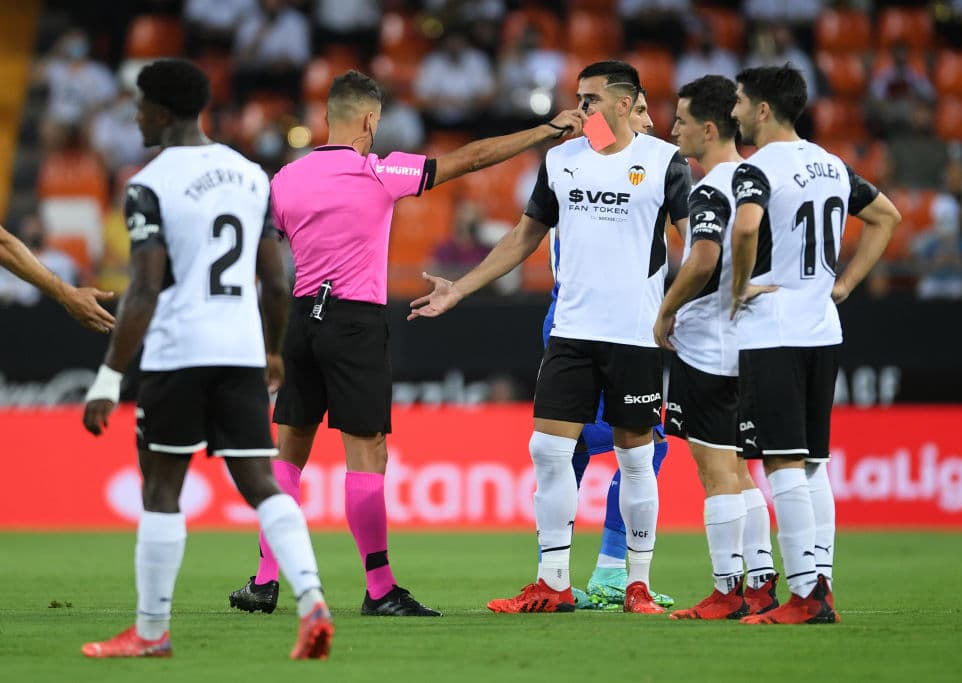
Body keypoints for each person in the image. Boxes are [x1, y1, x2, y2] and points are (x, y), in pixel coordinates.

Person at [228, 69, 584, 617]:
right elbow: (471, 157)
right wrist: (544, 132)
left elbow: (264, 265)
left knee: (289, 453)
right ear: (371, 120)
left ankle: (266, 579)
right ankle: (379, 589)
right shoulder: (381, 171)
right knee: (366, 454)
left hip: (299, 320)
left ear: (326, 118)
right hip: (355, 322)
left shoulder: (284, 181)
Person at [410, 60, 692, 614]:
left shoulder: (664, 162)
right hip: (571, 331)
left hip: (635, 334)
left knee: (637, 460)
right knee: (547, 450)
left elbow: (701, 245)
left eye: (590, 98)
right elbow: (523, 238)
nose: (578, 108)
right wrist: (460, 290)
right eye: (578, 97)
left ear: (624, 100)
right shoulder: (561, 161)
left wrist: (686, 308)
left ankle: (633, 583)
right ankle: (553, 582)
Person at [80, 59, 333, 659]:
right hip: (240, 351)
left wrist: (109, 376)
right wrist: (272, 349)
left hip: (178, 353)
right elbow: (276, 280)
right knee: (262, 484)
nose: (135, 116)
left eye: (140, 105)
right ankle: (312, 599)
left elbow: (143, 289)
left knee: (162, 486)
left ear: (162, 112)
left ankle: (149, 632)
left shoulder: (148, 183)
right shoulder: (250, 175)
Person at [729, 64, 901, 624]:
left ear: (761, 109)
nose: (732, 112)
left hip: (773, 329)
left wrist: (737, 289)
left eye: (738, 102)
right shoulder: (830, 164)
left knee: (780, 462)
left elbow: (748, 227)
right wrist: (843, 284)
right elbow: (886, 216)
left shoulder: (757, 170)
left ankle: (806, 594)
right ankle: (820, 580)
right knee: (812, 465)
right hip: (823, 327)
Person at [652, 75, 779, 620]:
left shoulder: (710, 188)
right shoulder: (755, 178)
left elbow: (703, 257)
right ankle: (763, 582)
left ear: (708, 128)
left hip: (706, 343)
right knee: (741, 468)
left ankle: (728, 589)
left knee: (715, 472)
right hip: (749, 340)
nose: (673, 128)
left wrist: (667, 308)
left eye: (680, 119)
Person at [544, 89, 673, 610]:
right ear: (620, 110)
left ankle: (576, 572)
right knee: (615, 447)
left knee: (583, 449)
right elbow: (597, 136)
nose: (649, 123)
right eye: (640, 110)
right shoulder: (587, 159)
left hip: (614, 323)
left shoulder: (638, 165)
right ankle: (603, 572)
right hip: (583, 322)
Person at [0, 220, 114, 333]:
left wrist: (68, 294)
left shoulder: (61, 259)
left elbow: (4, 246)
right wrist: (67, 294)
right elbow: (5, 247)